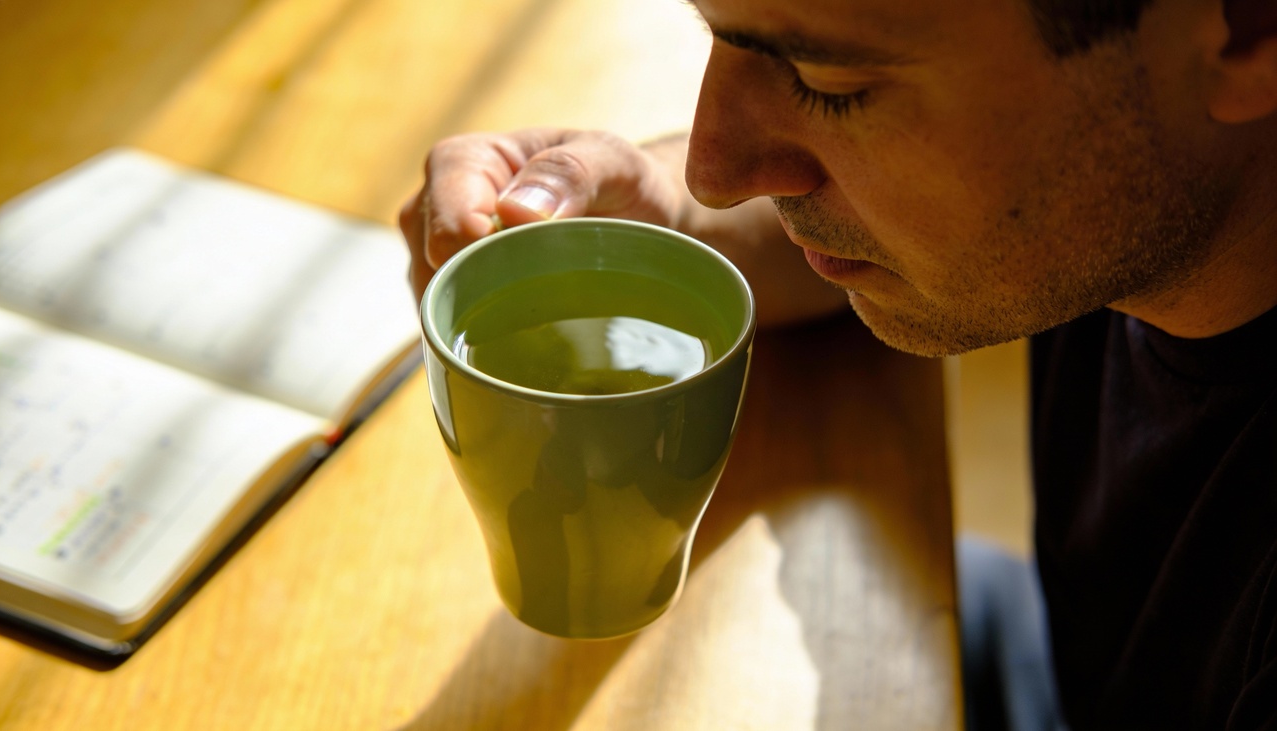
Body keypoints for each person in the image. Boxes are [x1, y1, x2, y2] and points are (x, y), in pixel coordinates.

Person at [398, 0, 1277, 728]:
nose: (715, 167)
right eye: (721, 35)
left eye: (832, 85)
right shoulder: (1140, 211)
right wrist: (669, 222)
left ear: (1244, 27)